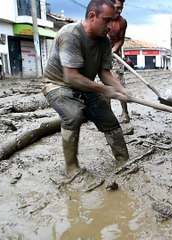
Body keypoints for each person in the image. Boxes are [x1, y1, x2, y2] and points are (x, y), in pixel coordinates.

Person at [42, 0, 131, 178]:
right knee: (73, 114)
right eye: (107, 20)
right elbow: (71, 76)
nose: (111, 26)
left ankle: (124, 159)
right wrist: (104, 90)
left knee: (108, 118)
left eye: (113, 20)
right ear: (92, 16)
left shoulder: (105, 41)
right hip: (58, 83)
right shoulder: (70, 34)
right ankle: (72, 168)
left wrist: (121, 90)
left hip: (84, 85)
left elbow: (104, 73)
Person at [108, 0, 130, 123]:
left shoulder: (122, 22)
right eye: (117, 8)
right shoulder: (100, 18)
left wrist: (114, 49)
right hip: (100, 56)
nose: (120, 11)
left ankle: (125, 113)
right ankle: (108, 115)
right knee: (103, 86)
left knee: (120, 84)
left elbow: (121, 39)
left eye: (122, 8)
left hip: (115, 56)